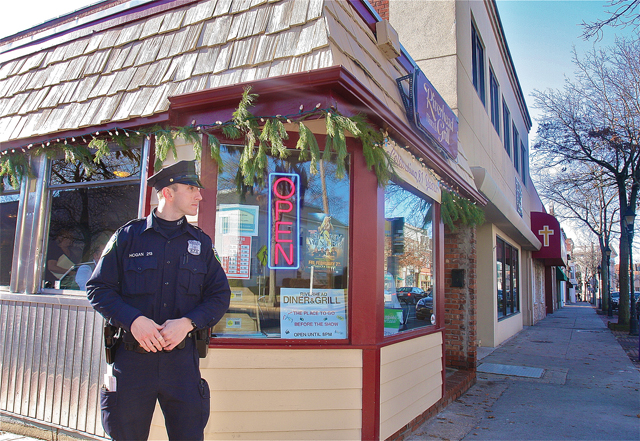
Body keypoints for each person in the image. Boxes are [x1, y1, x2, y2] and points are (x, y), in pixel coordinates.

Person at [87, 160, 231, 441]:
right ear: (168, 193)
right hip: (132, 362)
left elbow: (219, 295)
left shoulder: (200, 243)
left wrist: (188, 323)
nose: (199, 196)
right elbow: (98, 288)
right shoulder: (127, 237)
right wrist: (134, 321)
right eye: (191, 189)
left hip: (181, 363)